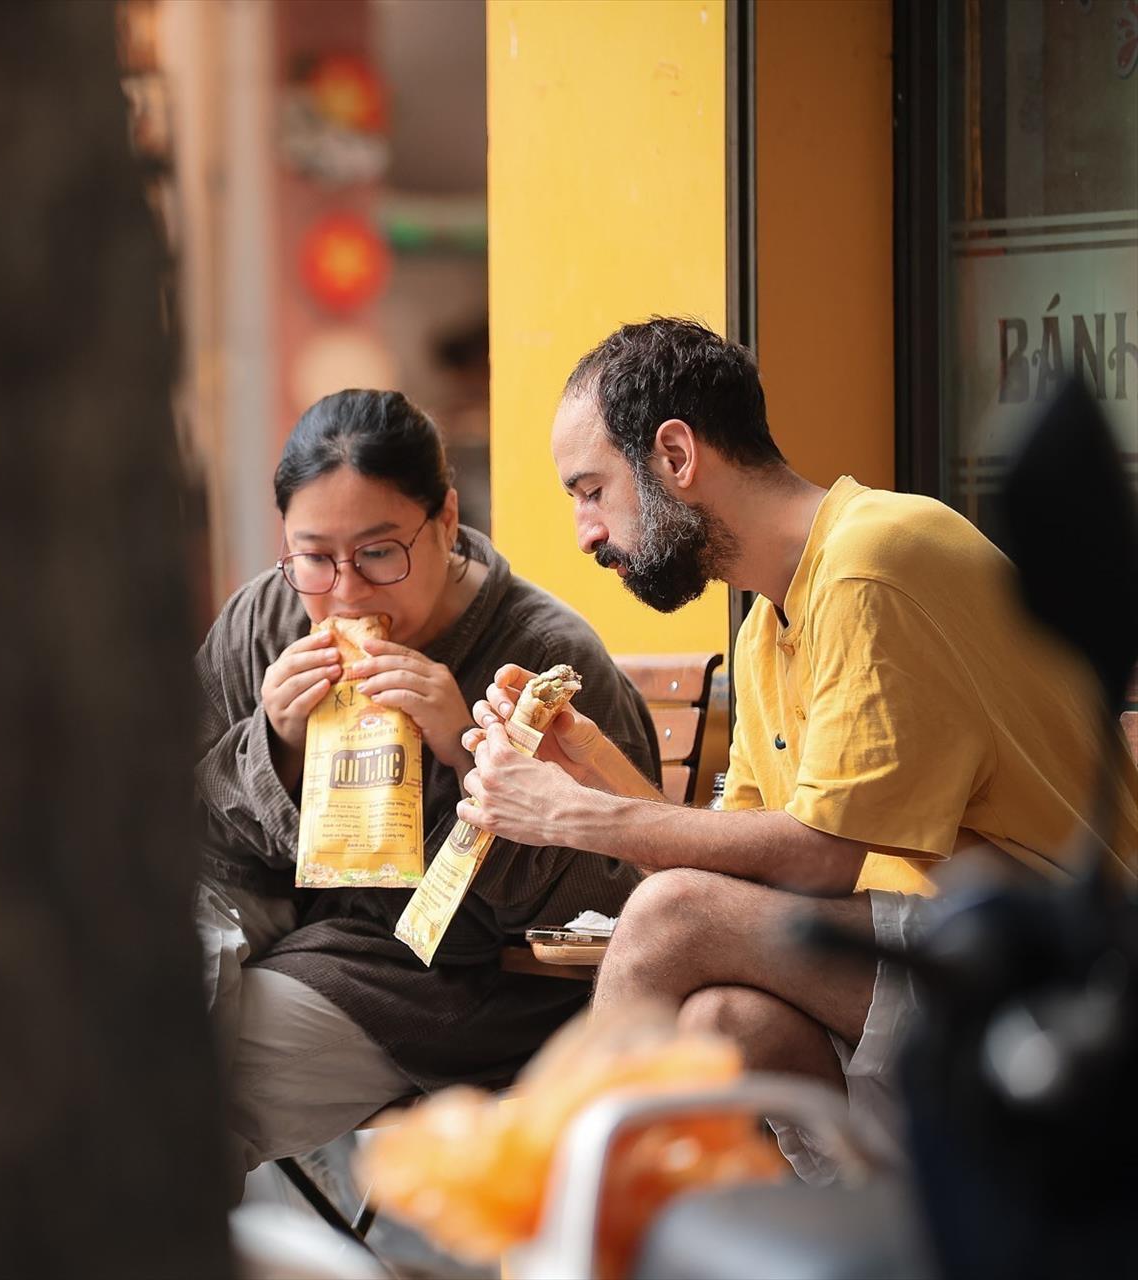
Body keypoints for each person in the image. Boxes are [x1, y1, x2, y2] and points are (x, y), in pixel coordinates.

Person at [456, 317, 1138, 1176]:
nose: (585, 534)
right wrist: (589, 766)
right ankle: (847, 1227)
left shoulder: (872, 562)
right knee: (725, 1023)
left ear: (676, 455)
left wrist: (573, 817)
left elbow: (821, 856)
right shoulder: (766, 624)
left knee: (669, 917)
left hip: (1065, 978)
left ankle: (552, 1204)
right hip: (928, 961)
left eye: (591, 491)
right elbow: (743, 872)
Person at [194, 388, 660, 1189]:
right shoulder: (264, 621)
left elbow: (605, 907)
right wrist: (274, 746)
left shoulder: (540, 653)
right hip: (267, 921)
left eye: (380, 553)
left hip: (436, 985)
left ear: (445, 520)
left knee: (187, 1091)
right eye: (314, 557)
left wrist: (464, 750)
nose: (346, 593)